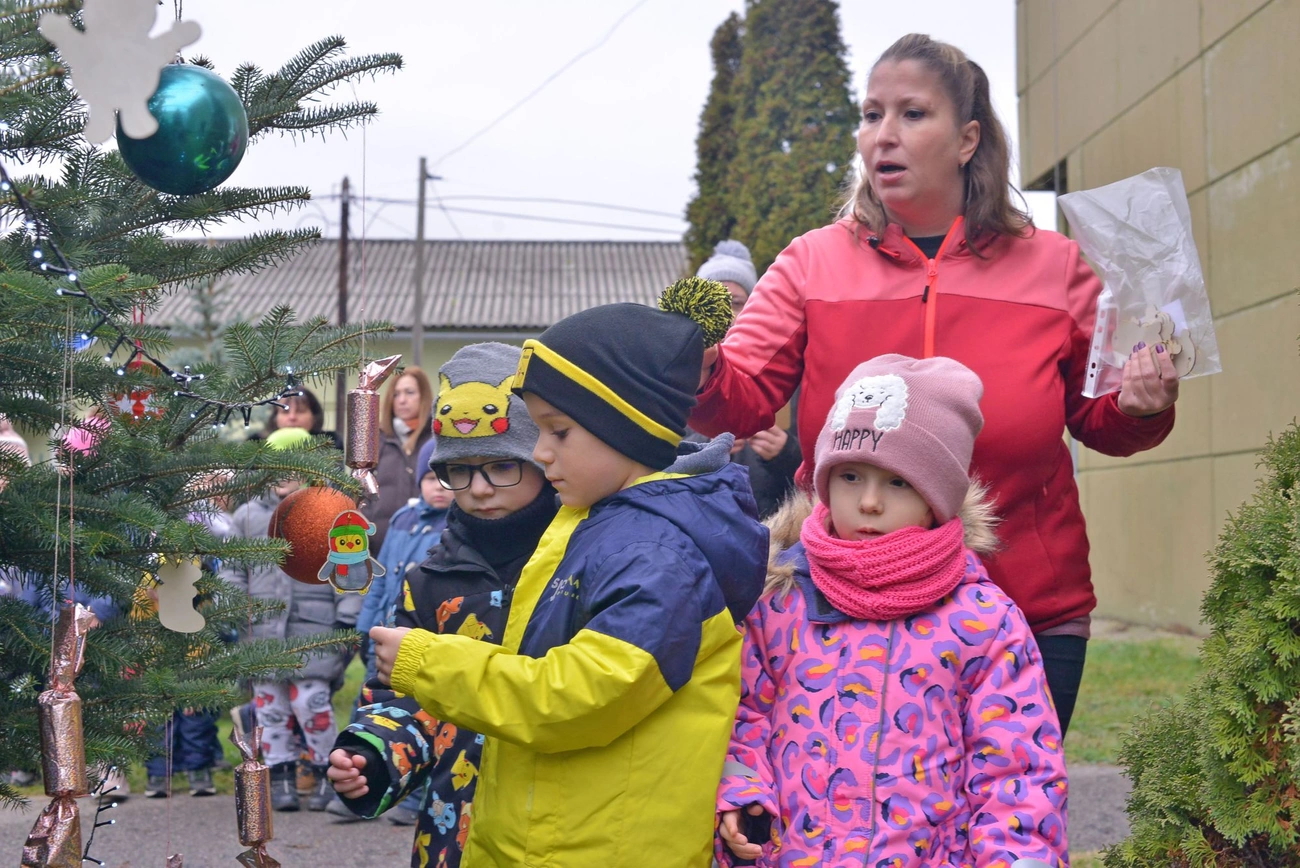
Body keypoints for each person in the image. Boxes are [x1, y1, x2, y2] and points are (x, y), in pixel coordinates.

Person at [690, 33, 1181, 734]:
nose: (881, 135)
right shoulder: (809, 264)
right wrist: (704, 366)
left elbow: (1097, 420)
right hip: (840, 609)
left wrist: (1142, 407)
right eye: (870, 114)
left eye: (912, 114)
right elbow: (736, 403)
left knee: (1005, 824)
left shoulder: (1058, 267)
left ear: (967, 138)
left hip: (1027, 611)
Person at [364, 290, 769, 865]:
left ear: (625, 430)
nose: (541, 453)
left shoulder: (657, 554)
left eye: (558, 432)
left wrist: (428, 663)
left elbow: (580, 697)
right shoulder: (596, 523)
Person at [716, 355, 1068, 867]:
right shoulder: (779, 598)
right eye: (851, 476)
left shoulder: (982, 620)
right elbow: (741, 710)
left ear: (936, 498)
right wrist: (741, 791)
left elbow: (1018, 771)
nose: (870, 502)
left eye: (899, 482)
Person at [327, 343, 560, 864]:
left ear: (543, 461)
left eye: (502, 466)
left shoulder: (576, 565)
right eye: (458, 470)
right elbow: (404, 699)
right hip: (455, 828)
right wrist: (371, 756)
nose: (478, 489)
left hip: (554, 824)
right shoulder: (430, 579)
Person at [221, 427, 359, 812]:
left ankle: (325, 771)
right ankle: (279, 774)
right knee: (269, 707)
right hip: (261, 629)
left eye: (295, 467)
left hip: (313, 628)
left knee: (311, 702)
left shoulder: (328, 509)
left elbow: (348, 564)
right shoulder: (248, 516)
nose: (286, 476)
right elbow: (234, 567)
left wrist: (347, 614)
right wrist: (230, 605)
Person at [698, 240, 803, 518]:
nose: (725, 314)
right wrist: (705, 447)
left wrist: (786, 452)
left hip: (777, 530)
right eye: (713, 302)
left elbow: (825, 463)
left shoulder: (786, 369)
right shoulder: (676, 375)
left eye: (735, 302)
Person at [365, 367, 435, 552]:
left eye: (409, 392)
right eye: (396, 394)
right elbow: (359, 490)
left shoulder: (436, 439)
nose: (402, 400)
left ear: (424, 396)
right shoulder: (377, 439)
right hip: (377, 546)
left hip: (426, 545)